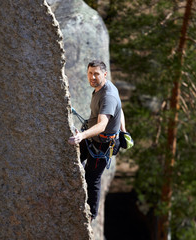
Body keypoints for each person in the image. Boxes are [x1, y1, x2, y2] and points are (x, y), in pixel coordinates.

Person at [68, 60, 126, 220]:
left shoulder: (108, 96)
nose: (92, 77)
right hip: (94, 138)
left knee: (92, 178)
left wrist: (81, 135)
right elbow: (120, 111)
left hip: (102, 145)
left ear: (104, 75)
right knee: (75, 158)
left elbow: (102, 125)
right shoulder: (103, 88)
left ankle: (91, 214)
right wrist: (124, 130)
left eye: (96, 74)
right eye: (90, 73)